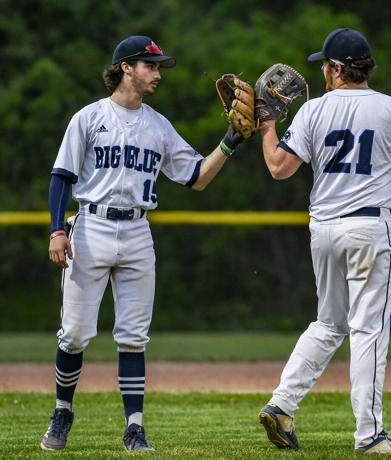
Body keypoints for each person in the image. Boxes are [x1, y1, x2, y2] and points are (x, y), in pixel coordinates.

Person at [41, 35, 247, 452]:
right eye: (151, 66)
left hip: (137, 231)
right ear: (126, 68)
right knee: (76, 334)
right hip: (91, 228)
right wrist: (56, 230)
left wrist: (231, 140)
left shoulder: (158, 125)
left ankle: (134, 426)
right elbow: (61, 176)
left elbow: (197, 177)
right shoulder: (89, 118)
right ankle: (62, 410)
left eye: (158, 67)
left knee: (133, 337)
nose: (157, 74)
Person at [255, 28, 391, 455]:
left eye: (325, 65)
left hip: (323, 229)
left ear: (338, 69)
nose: (323, 71)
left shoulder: (312, 111)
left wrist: (267, 125)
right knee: (369, 328)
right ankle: (371, 435)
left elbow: (279, 168)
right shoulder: (390, 109)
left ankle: (282, 405)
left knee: (329, 322)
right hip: (369, 229)